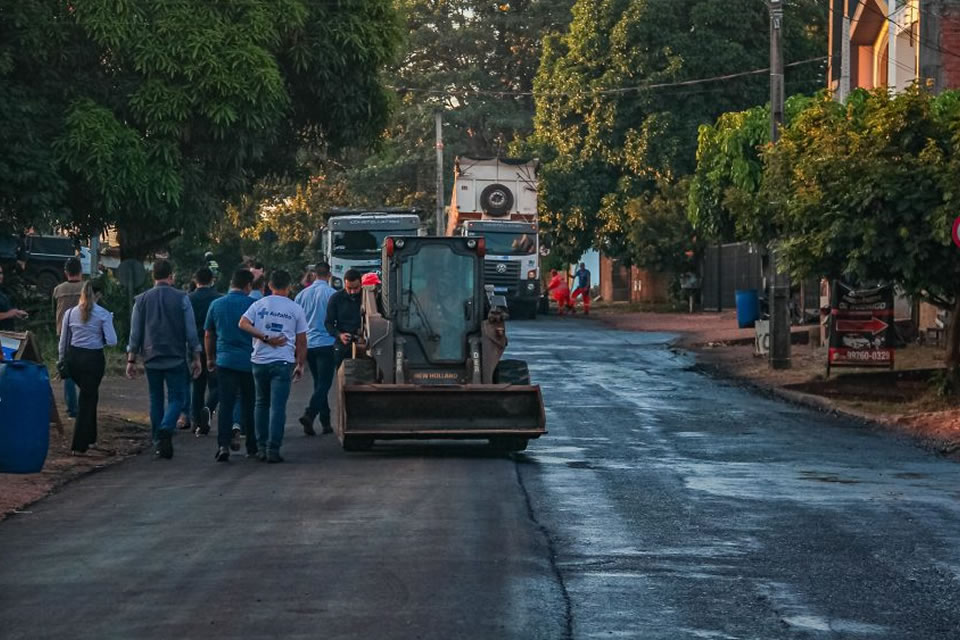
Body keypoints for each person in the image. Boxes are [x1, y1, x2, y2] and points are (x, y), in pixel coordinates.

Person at [126, 259, 202, 459]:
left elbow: (135, 332)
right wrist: (196, 355)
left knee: (156, 398)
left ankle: (158, 441)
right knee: (179, 397)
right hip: (175, 355)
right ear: (171, 276)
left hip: (151, 356)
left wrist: (131, 359)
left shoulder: (141, 300)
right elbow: (190, 329)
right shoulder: (181, 298)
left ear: (153, 277)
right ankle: (167, 427)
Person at [239, 269, 307, 463]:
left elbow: (242, 323)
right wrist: (300, 364)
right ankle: (273, 449)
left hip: (259, 361)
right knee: (277, 407)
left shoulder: (259, 304)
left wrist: (263, 337)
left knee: (261, 403)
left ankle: (260, 447)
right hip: (282, 361)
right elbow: (302, 341)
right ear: (289, 287)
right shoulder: (295, 309)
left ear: (269, 286)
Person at [204, 269, 258, 462]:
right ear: (247, 286)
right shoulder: (254, 305)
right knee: (250, 403)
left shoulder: (216, 305)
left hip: (225, 361)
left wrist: (210, 357)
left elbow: (209, 334)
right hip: (249, 362)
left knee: (225, 404)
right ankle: (252, 445)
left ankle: (223, 444)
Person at [59, 280, 117, 455]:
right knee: (86, 399)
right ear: (98, 295)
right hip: (93, 360)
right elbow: (113, 341)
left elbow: (63, 341)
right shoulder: (103, 314)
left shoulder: (70, 313)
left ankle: (91, 437)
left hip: (74, 359)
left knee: (90, 395)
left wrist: (62, 359)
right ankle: (79, 444)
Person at [294, 263, 337, 436]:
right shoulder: (332, 295)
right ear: (329, 274)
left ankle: (325, 423)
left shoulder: (301, 295)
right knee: (325, 384)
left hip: (308, 344)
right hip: (326, 342)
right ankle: (310, 414)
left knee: (319, 384)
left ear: (314, 274)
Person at [188, 266, 221, 435]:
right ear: (212, 280)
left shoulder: (188, 299)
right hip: (214, 344)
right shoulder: (218, 299)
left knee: (197, 384)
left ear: (195, 280)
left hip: (194, 345)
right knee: (217, 384)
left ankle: (195, 420)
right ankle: (208, 409)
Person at [53, 257, 85, 418]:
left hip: (63, 334)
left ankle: (72, 409)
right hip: (83, 334)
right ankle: (85, 406)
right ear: (81, 271)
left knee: (68, 372)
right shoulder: (87, 289)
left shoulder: (58, 290)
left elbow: (54, 311)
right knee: (86, 371)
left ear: (66, 273)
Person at [324, 269, 363, 370]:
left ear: (361, 284)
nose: (353, 292)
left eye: (356, 288)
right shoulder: (336, 298)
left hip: (364, 342)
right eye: (349, 288)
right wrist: (339, 335)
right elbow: (328, 323)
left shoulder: (367, 297)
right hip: (343, 344)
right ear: (345, 284)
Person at [0, 265, 29, 331]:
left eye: (0, 273)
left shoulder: (3, 291)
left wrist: (16, 313)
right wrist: (9, 314)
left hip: (8, 334)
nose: (0, 276)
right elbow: (9, 313)